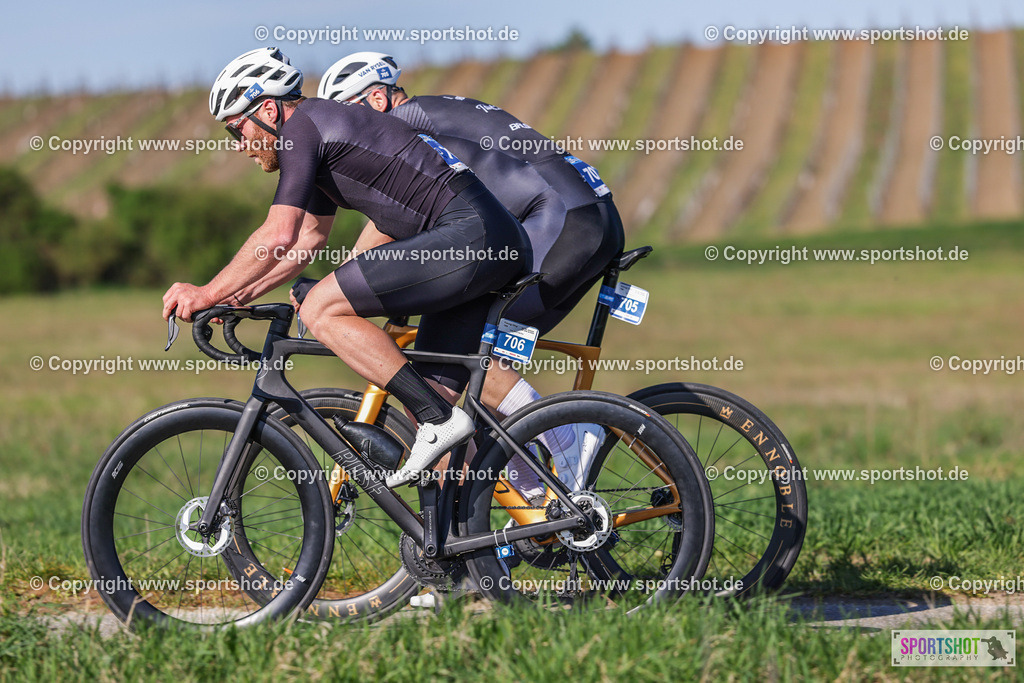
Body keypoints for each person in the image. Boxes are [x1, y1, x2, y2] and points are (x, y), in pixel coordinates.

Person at [161, 47, 530, 487]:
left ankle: (439, 420)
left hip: (472, 239)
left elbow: (278, 233)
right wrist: (235, 297)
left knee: (321, 308)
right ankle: (508, 523)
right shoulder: (316, 129)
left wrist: (204, 293)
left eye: (237, 130)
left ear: (268, 109)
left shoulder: (302, 130)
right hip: (489, 240)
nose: (239, 146)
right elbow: (305, 241)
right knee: (432, 412)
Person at [317, 52, 625, 494]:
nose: (349, 132)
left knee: (466, 348)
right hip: (587, 220)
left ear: (378, 99)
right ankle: (533, 511)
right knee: (471, 382)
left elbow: (386, 222)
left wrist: (336, 289)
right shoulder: (433, 110)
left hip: (557, 223)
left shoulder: (403, 127)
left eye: (351, 115)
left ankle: (569, 436)